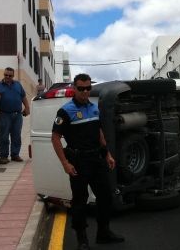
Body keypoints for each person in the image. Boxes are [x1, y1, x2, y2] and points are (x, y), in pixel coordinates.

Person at [51, 73, 124, 250]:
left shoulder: (94, 108)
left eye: (88, 88)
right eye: (81, 88)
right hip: (78, 163)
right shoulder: (65, 111)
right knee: (80, 201)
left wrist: (107, 155)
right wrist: (65, 164)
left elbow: (99, 133)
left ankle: (103, 233)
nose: (85, 91)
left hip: (96, 160)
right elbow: (55, 138)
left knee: (105, 197)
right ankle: (82, 240)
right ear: (74, 89)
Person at [0, 67, 29, 163]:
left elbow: (23, 96)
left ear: (13, 76)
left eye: (10, 75)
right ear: (4, 74)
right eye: (6, 75)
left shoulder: (18, 85)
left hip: (17, 115)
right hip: (4, 115)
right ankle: (4, 156)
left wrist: (27, 107)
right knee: (4, 136)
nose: (7, 77)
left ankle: (15, 155)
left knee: (16, 136)